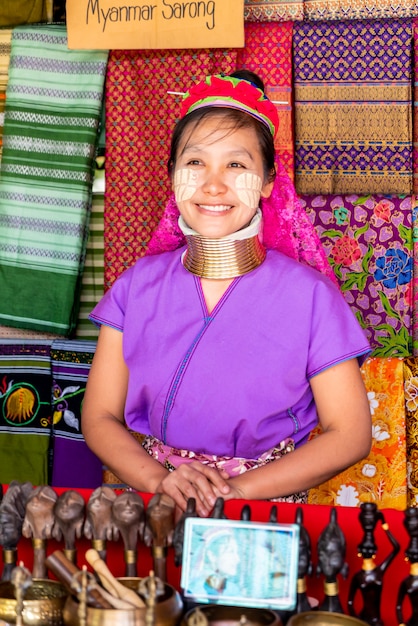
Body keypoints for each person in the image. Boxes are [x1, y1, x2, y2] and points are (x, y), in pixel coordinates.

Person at [82, 70, 372, 518]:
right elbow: (99, 417)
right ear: (172, 175)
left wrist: (234, 492)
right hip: (152, 501)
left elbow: (350, 434)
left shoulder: (310, 297)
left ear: (270, 182)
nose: (213, 184)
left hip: (262, 506)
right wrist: (161, 481)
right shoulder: (137, 286)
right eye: (195, 163)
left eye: (237, 165)